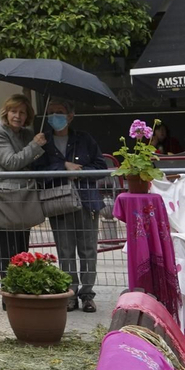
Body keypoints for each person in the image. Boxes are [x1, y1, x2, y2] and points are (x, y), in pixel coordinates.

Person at [39, 98, 106, 313]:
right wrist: (63, 166)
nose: (54, 116)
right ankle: (69, 293)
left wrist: (80, 170)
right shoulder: (43, 141)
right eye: (50, 112)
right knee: (65, 250)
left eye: (59, 112)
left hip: (86, 201)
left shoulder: (84, 139)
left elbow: (100, 166)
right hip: (59, 203)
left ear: (70, 115)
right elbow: (38, 170)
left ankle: (87, 294)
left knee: (88, 250)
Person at [0, 94, 50, 279]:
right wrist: (35, 146)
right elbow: (11, 162)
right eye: (14, 111)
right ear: (6, 112)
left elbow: (32, 161)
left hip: (23, 197)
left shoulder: (27, 134)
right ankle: (9, 292)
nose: (17, 116)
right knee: (7, 251)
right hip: (2, 200)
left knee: (22, 249)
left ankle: (22, 288)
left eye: (22, 112)